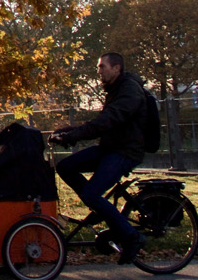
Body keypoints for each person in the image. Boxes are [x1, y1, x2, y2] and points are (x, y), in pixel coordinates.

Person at [50, 51, 151, 264]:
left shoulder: (130, 91)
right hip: (110, 148)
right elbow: (100, 122)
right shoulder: (115, 89)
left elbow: (107, 121)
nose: (99, 71)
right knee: (66, 166)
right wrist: (69, 132)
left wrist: (74, 135)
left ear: (117, 68)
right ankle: (100, 208)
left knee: (91, 193)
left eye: (102, 66)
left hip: (125, 151)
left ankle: (132, 237)